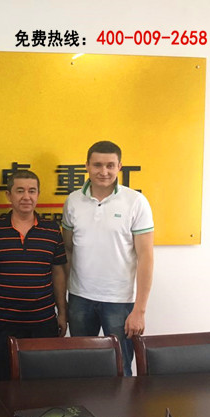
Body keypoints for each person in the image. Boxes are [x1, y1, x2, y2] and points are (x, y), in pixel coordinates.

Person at [62, 141, 154, 376]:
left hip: (119, 301)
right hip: (80, 298)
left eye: (110, 165)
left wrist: (140, 310)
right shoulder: (73, 201)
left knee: (121, 369)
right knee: (82, 368)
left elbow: (146, 257)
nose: (104, 171)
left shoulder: (136, 202)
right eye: (97, 165)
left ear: (119, 166)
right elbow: (68, 250)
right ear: (87, 166)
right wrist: (64, 298)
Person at [0, 170, 67, 381]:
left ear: (38, 194)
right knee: (2, 381)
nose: (26, 197)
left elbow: (58, 273)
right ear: (8, 195)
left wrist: (62, 313)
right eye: (20, 191)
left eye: (32, 191)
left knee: (42, 382)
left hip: (43, 320)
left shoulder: (52, 231)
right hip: (2, 321)